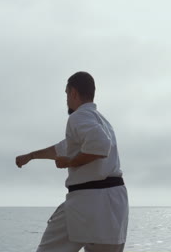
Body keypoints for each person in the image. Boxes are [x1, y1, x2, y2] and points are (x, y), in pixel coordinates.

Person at [15, 71, 128, 252]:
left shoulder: (78, 117)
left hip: (87, 202)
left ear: (73, 92)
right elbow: (63, 148)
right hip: (115, 206)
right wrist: (31, 156)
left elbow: (100, 146)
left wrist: (71, 162)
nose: (67, 100)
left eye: (67, 94)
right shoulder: (102, 122)